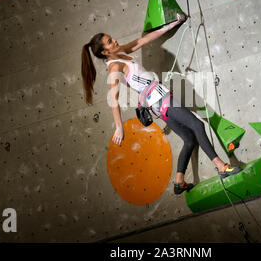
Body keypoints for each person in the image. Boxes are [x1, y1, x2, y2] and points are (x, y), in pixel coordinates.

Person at [81, 14, 241, 195]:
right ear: (104, 52)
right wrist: (119, 127)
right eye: (110, 41)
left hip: (157, 101)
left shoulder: (121, 52)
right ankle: (221, 167)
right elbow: (114, 99)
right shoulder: (114, 67)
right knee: (197, 125)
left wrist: (173, 24)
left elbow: (144, 39)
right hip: (160, 99)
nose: (115, 40)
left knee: (189, 139)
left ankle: (179, 181)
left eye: (111, 38)